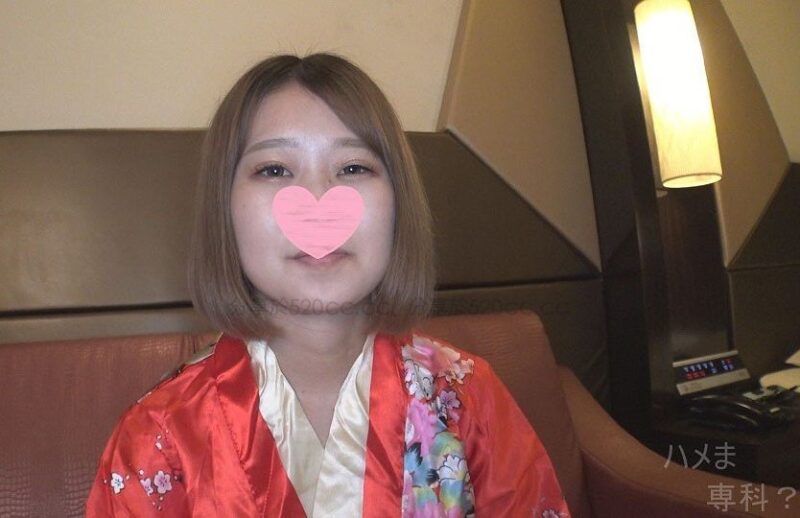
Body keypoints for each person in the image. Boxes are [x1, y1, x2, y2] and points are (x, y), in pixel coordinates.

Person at [85, 53, 570, 517]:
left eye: (353, 168)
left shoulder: (470, 400)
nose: (318, 200)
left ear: (397, 203)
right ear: (225, 209)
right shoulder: (160, 431)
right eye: (274, 170)